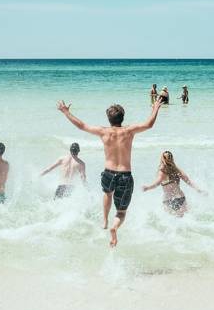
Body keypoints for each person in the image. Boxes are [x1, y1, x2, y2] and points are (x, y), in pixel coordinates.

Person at [57, 99, 163, 247]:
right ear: (122, 117)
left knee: (107, 194)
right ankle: (114, 226)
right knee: (121, 212)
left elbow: (81, 125)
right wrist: (156, 108)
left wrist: (66, 112)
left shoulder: (103, 131)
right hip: (125, 175)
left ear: (109, 118)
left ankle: (105, 220)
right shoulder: (129, 131)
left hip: (108, 173)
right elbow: (149, 124)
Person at [142, 151, 203, 217]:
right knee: (186, 219)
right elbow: (188, 181)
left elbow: (157, 183)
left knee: (171, 221)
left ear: (162, 159)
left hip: (168, 201)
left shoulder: (162, 171)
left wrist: (148, 187)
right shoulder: (176, 169)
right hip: (180, 198)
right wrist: (198, 189)